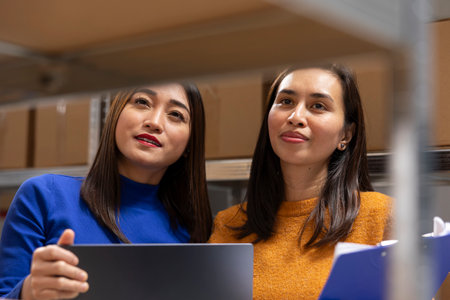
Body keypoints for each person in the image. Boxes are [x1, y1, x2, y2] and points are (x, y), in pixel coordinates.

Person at [0, 83, 212, 300]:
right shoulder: (44, 195)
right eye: (142, 102)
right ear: (116, 113)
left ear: (189, 144)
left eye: (176, 115)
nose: (154, 122)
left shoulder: (193, 231)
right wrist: (28, 292)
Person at [209, 64, 393, 299]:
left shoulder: (381, 216)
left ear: (346, 134)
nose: (296, 117)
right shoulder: (229, 225)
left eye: (318, 106)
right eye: (286, 102)